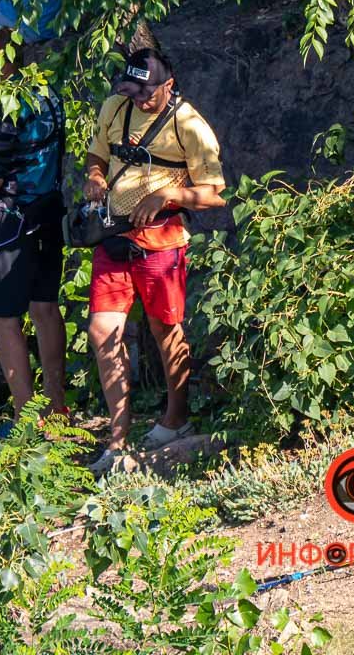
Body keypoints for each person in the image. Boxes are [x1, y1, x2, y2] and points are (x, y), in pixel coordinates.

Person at [82, 48, 226, 475]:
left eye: (148, 93)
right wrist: (93, 177)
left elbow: (214, 193)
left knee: (166, 328)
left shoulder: (190, 125)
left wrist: (170, 194)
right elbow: (98, 156)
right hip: (112, 235)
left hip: (161, 241)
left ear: (168, 84)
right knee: (101, 328)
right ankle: (118, 438)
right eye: (134, 92)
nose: (141, 101)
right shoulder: (115, 107)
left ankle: (175, 418)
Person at [0, 25, 69, 428]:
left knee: (1, 316)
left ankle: (28, 420)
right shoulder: (48, 93)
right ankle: (58, 409)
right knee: (45, 307)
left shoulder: (4, 104)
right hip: (49, 210)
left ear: (4, 64)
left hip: (12, 220)